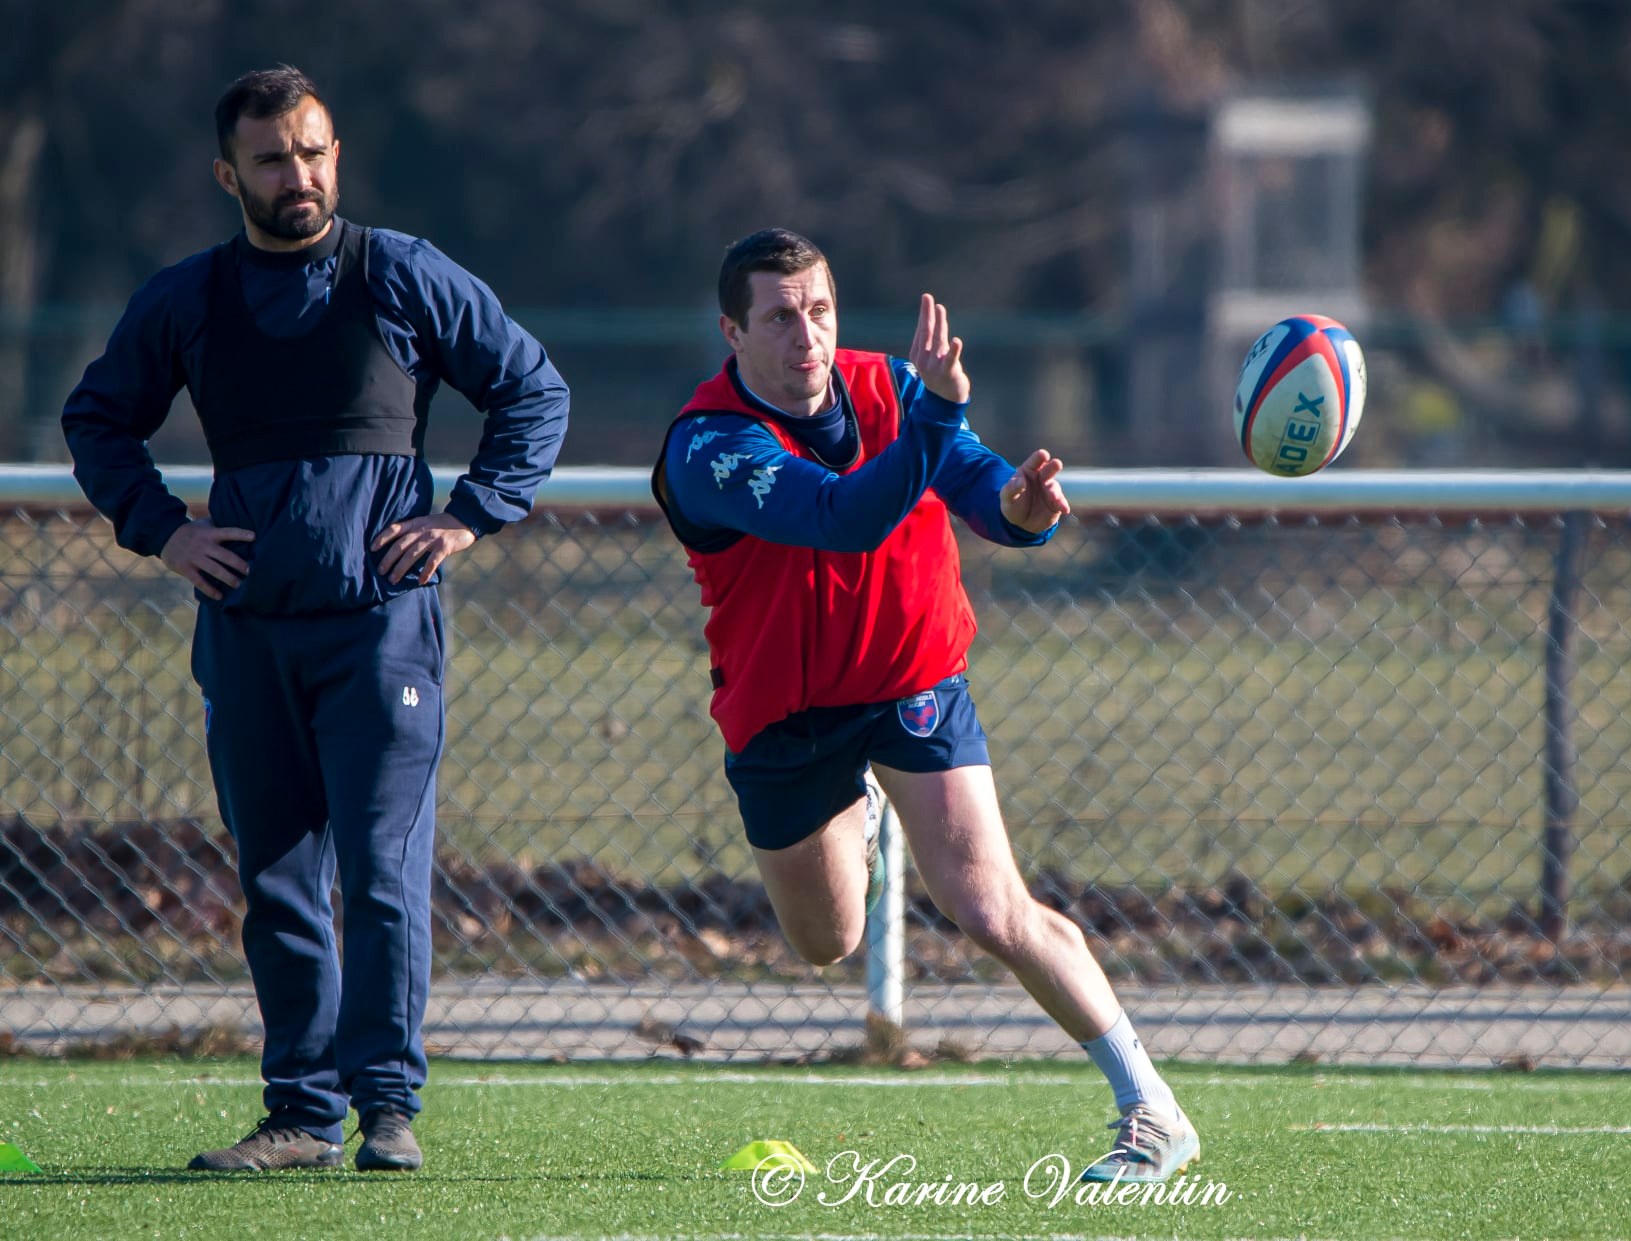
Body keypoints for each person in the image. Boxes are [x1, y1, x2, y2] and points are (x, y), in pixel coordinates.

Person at [61, 66, 569, 1173]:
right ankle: (300, 1114)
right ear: (226, 173)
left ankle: (388, 1107)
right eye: (273, 158)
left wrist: (467, 517)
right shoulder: (188, 297)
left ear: (336, 153)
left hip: (383, 629)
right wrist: (163, 530)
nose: (300, 174)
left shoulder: (401, 273)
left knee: (381, 876)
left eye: (315, 150)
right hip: (247, 634)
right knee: (278, 880)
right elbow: (97, 418)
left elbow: (533, 388)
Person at [651, 229, 1199, 1183]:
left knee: (990, 907)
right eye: (779, 317)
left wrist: (1021, 508)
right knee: (827, 941)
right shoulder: (708, 445)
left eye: (818, 309)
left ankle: (1149, 1107)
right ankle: (855, 810)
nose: (805, 334)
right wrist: (940, 419)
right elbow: (841, 517)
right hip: (788, 713)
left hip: (914, 682)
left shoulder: (892, 388)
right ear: (732, 331)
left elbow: (980, 489)